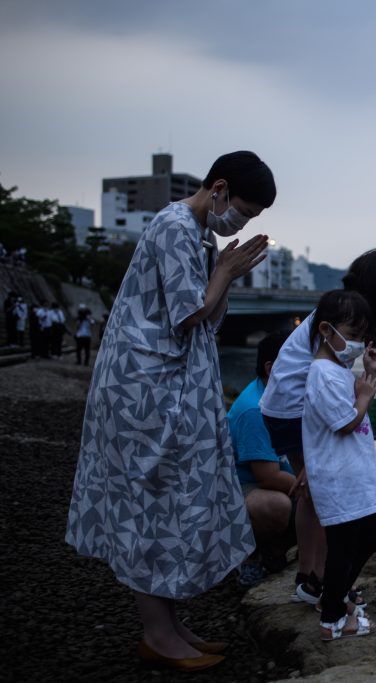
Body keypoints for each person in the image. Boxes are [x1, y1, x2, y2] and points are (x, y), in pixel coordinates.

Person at [65, 151, 275, 672]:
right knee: (153, 504)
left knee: (173, 504)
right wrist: (225, 268)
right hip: (148, 393)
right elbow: (188, 314)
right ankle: (158, 634)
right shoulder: (174, 225)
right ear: (219, 188)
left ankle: (171, 625)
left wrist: (224, 271)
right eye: (243, 211)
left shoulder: (198, 234)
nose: (240, 224)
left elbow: (208, 315)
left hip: (164, 386)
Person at [260, 249, 376, 605]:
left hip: (293, 409)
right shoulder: (342, 316)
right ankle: (321, 581)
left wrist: (361, 417)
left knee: (314, 492)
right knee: (321, 492)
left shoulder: (344, 313)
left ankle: (313, 577)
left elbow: (337, 384)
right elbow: (326, 382)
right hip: (294, 412)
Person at [301, 289, 376, 640]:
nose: (355, 344)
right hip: (337, 478)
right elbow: (345, 422)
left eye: (360, 337)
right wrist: (364, 395)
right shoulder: (321, 373)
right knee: (343, 546)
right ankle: (332, 617)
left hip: (353, 475)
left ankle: (332, 598)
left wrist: (367, 372)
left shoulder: (338, 371)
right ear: (325, 330)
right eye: (351, 335)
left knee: (371, 535)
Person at [228, 331, 296, 586]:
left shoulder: (281, 396)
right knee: (277, 506)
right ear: (271, 368)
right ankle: (253, 556)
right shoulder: (256, 409)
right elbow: (267, 477)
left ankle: (279, 551)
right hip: (241, 489)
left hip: (271, 478)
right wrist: (315, 487)